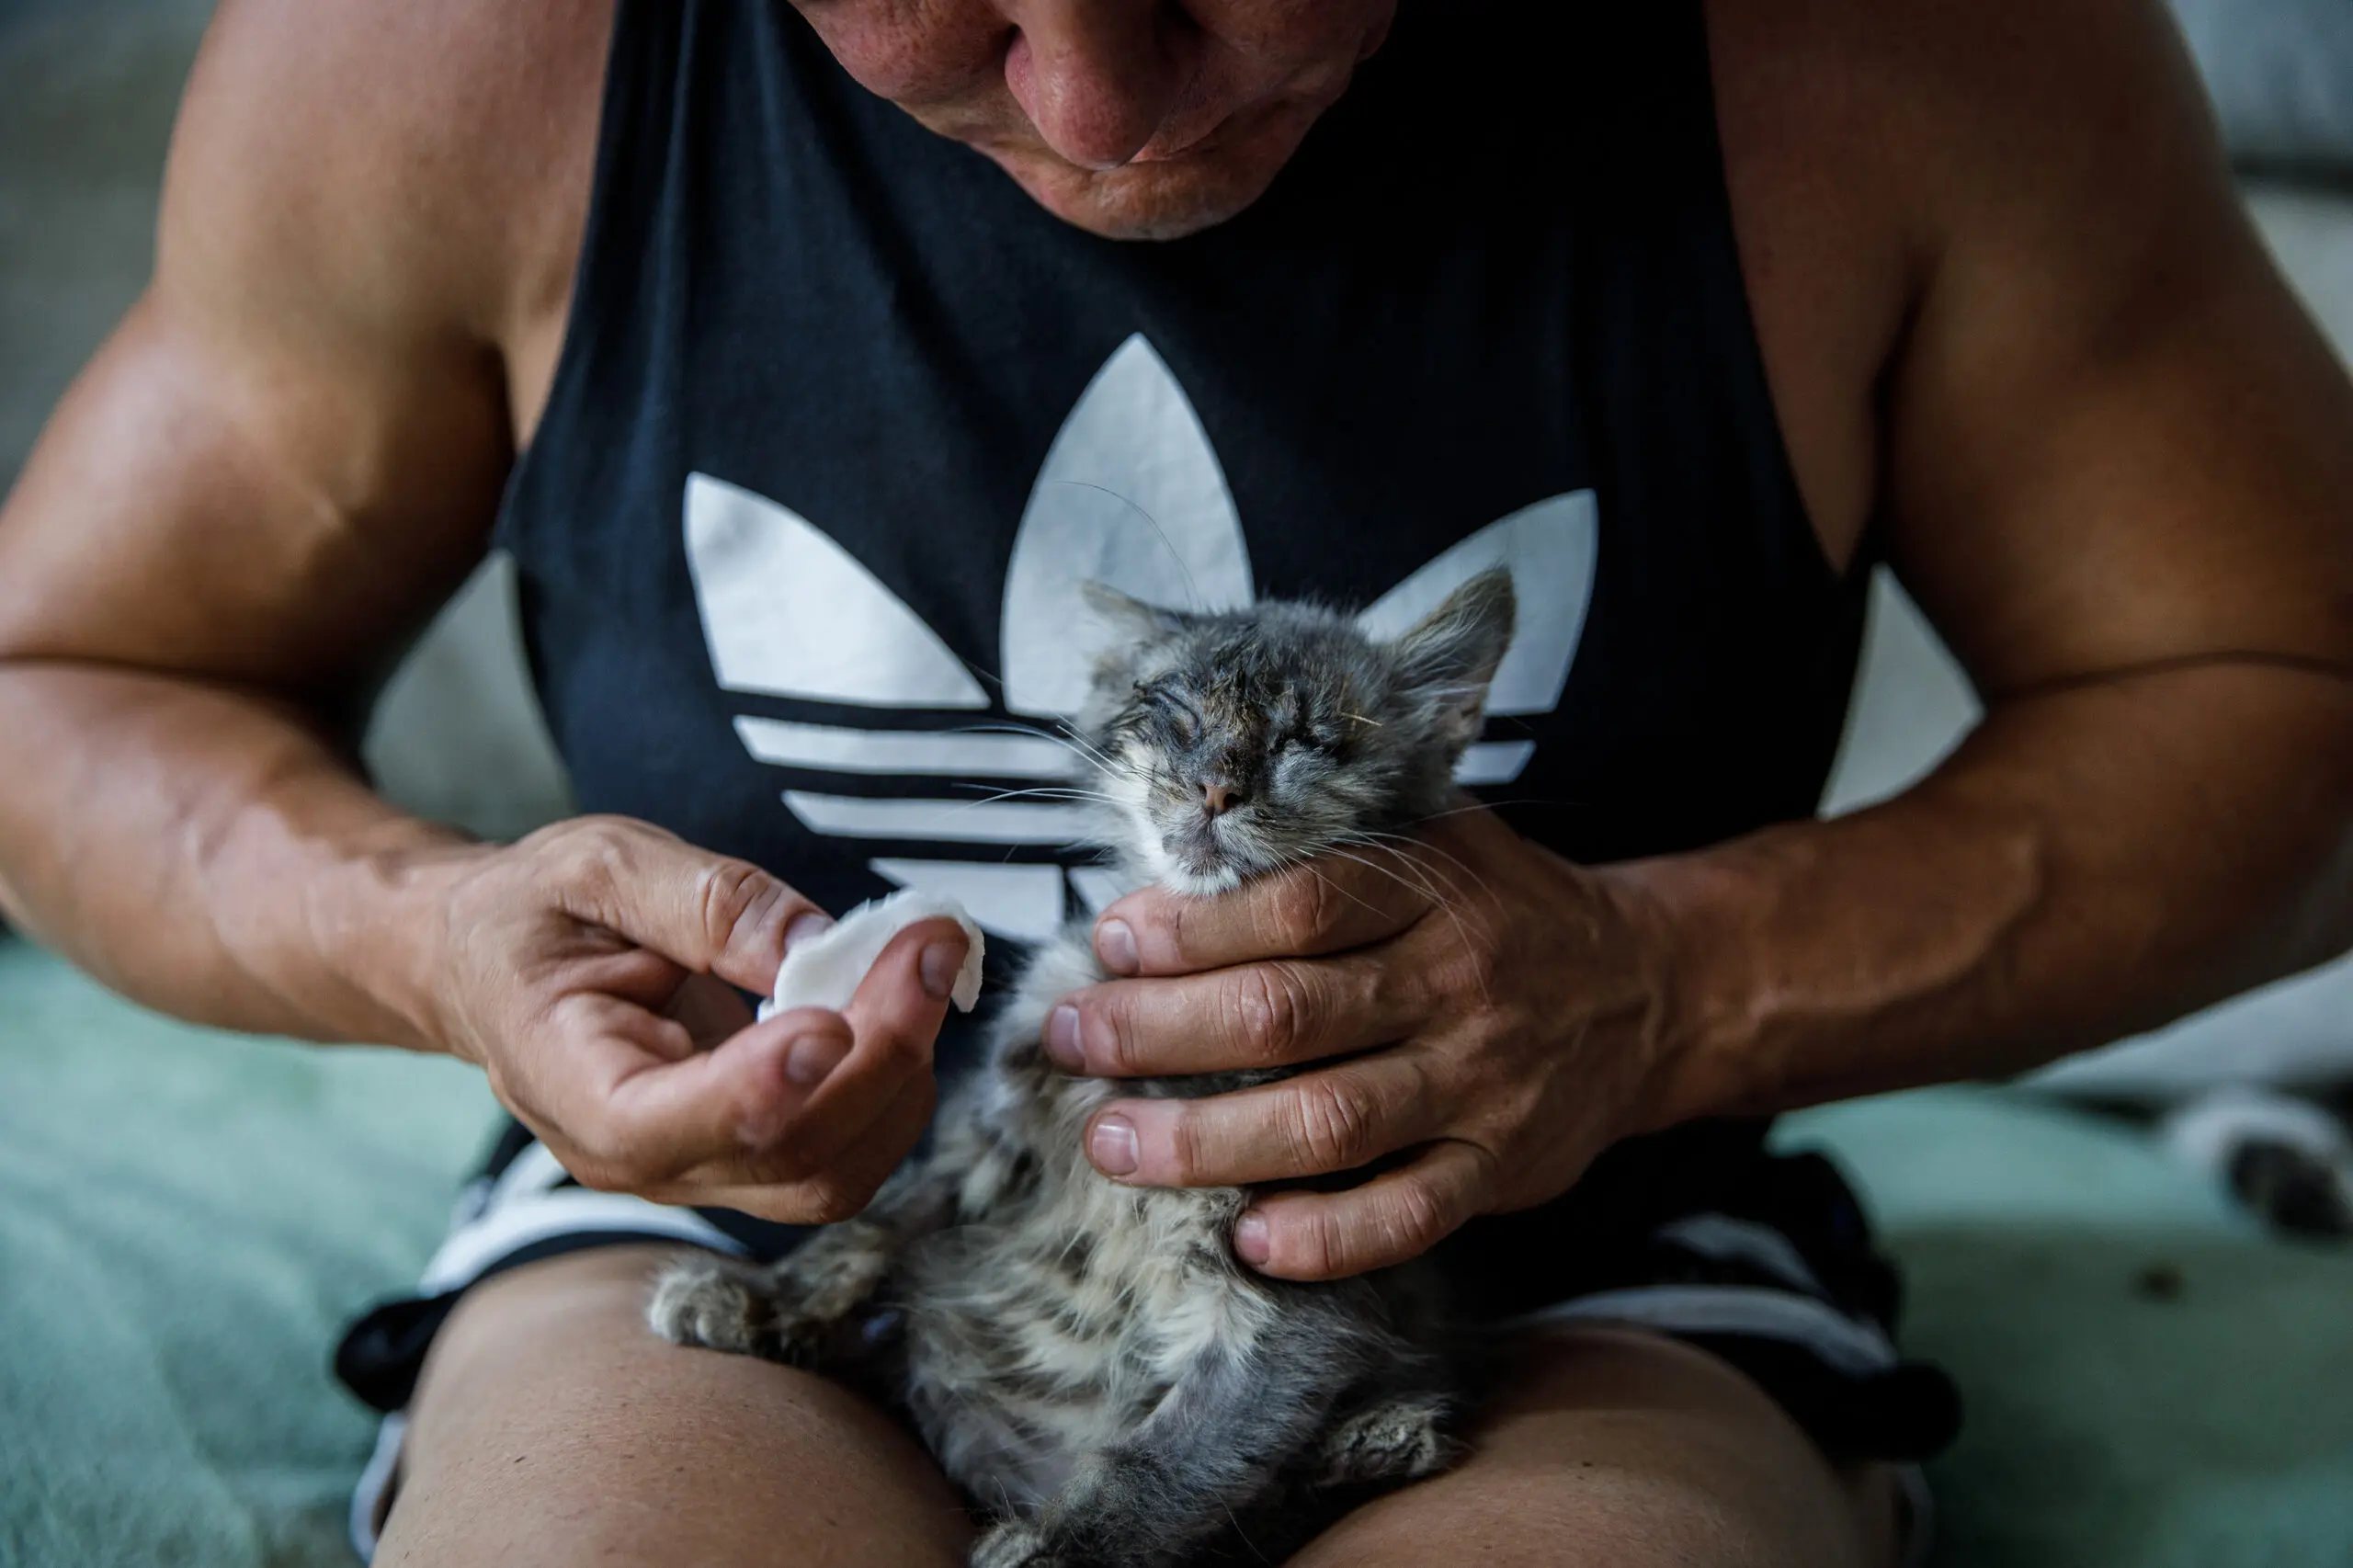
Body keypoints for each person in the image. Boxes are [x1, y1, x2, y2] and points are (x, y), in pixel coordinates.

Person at [2, 1, 2349, 1563]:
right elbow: (70, 674)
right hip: (742, 1229)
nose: (1103, 108)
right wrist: (422, 937)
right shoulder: (450, 53)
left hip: (1556, 1265)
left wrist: (1665, 981)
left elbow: (2288, 697)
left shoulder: (1896, 50)